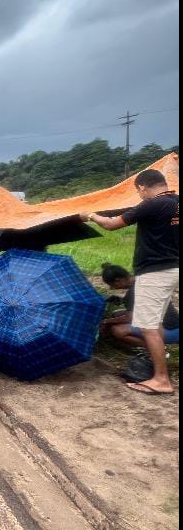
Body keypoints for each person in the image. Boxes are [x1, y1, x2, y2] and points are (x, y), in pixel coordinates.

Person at [82, 169, 179, 395]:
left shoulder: (152, 204)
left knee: (148, 327)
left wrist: (90, 215)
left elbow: (111, 224)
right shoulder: (176, 202)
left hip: (155, 271)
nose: (140, 195)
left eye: (139, 192)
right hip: (172, 267)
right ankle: (160, 373)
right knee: (152, 323)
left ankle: (161, 380)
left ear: (142, 187)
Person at [100, 264, 179, 349]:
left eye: (112, 285)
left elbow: (129, 318)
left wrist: (107, 321)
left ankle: (157, 349)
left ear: (118, 280)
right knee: (117, 313)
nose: (111, 288)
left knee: (117, 330)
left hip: (169, 331)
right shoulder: (144, 280)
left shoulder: (132, 293)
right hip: (174, 324)